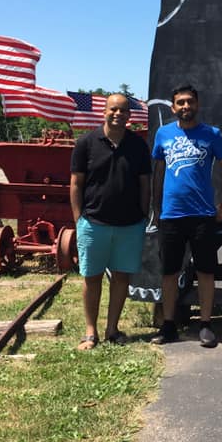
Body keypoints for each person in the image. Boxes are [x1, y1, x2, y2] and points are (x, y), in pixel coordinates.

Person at [151, 84, 222, 348]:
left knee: (206, 271)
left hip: (202, 215)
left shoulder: (211, 135)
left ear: (197, 104)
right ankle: (168, 325)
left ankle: (206, 324)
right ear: (173, 107)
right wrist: (156, 207)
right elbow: (158, 173)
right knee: (169, 272)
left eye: (190, 101)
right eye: (180, 103)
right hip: (172, 215)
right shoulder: (163, 134)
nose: (185, 106)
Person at [70, 94, 151, 350]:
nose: (118, 114)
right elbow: (76, 183)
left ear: (130, 116)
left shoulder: (138, 146)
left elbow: (144, 183)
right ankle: (90, 332)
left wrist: (143, 213)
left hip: (130, 225)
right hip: (94, 223)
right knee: (91, 278)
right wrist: (78, 219)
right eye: (113, 109)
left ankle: (112, 329)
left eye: (123, 111)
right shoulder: (86, 143)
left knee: (121, 278)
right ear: (104, 111)